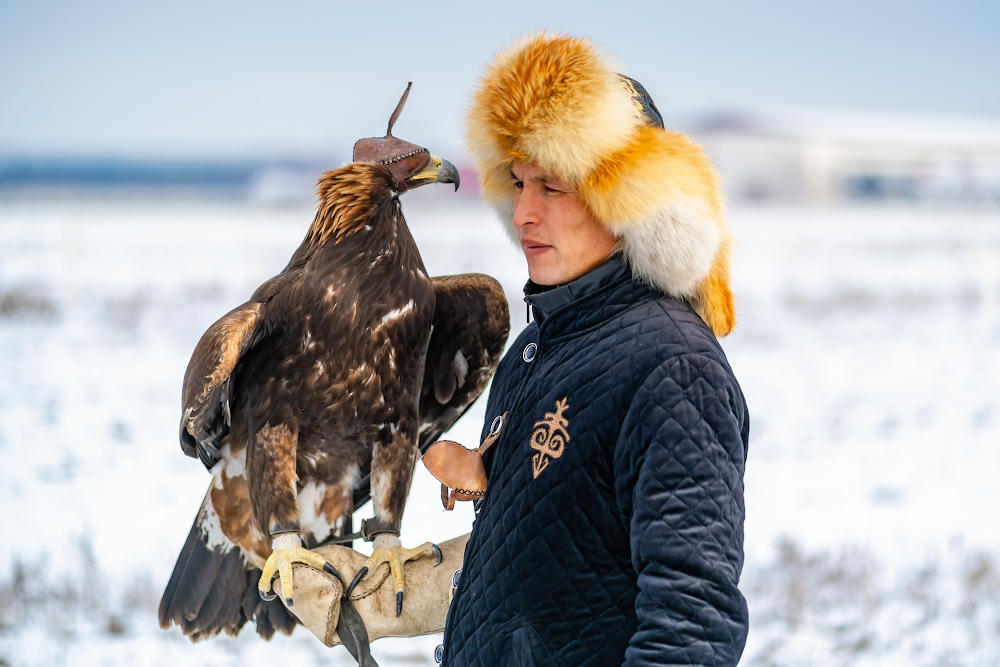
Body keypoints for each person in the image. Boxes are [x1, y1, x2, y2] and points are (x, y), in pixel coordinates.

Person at [437, 33, 749, 667]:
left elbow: (691, 624)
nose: (523, 212)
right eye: (519, 183)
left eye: (551, 187)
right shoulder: (540, 344)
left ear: (626, 200)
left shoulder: (671, 368)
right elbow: (563, 563)